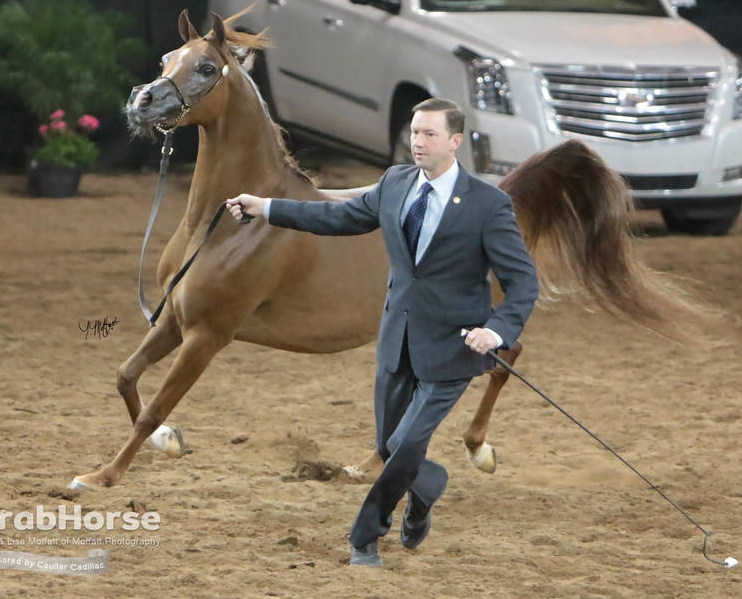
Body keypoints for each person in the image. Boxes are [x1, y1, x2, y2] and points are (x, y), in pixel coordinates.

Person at [226, 98, 538, 567]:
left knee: (407, 445)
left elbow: (522, 284)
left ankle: (365, 537)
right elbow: (337, 218)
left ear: (455, 141)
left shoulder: (489, 206)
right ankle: (428, 483)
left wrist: (495, 332)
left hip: (452, 348)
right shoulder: (395, 184)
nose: (418, 142)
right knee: (391, 446)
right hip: (397, 339)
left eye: (429, 134)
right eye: (414, 132)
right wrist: (267, 208)